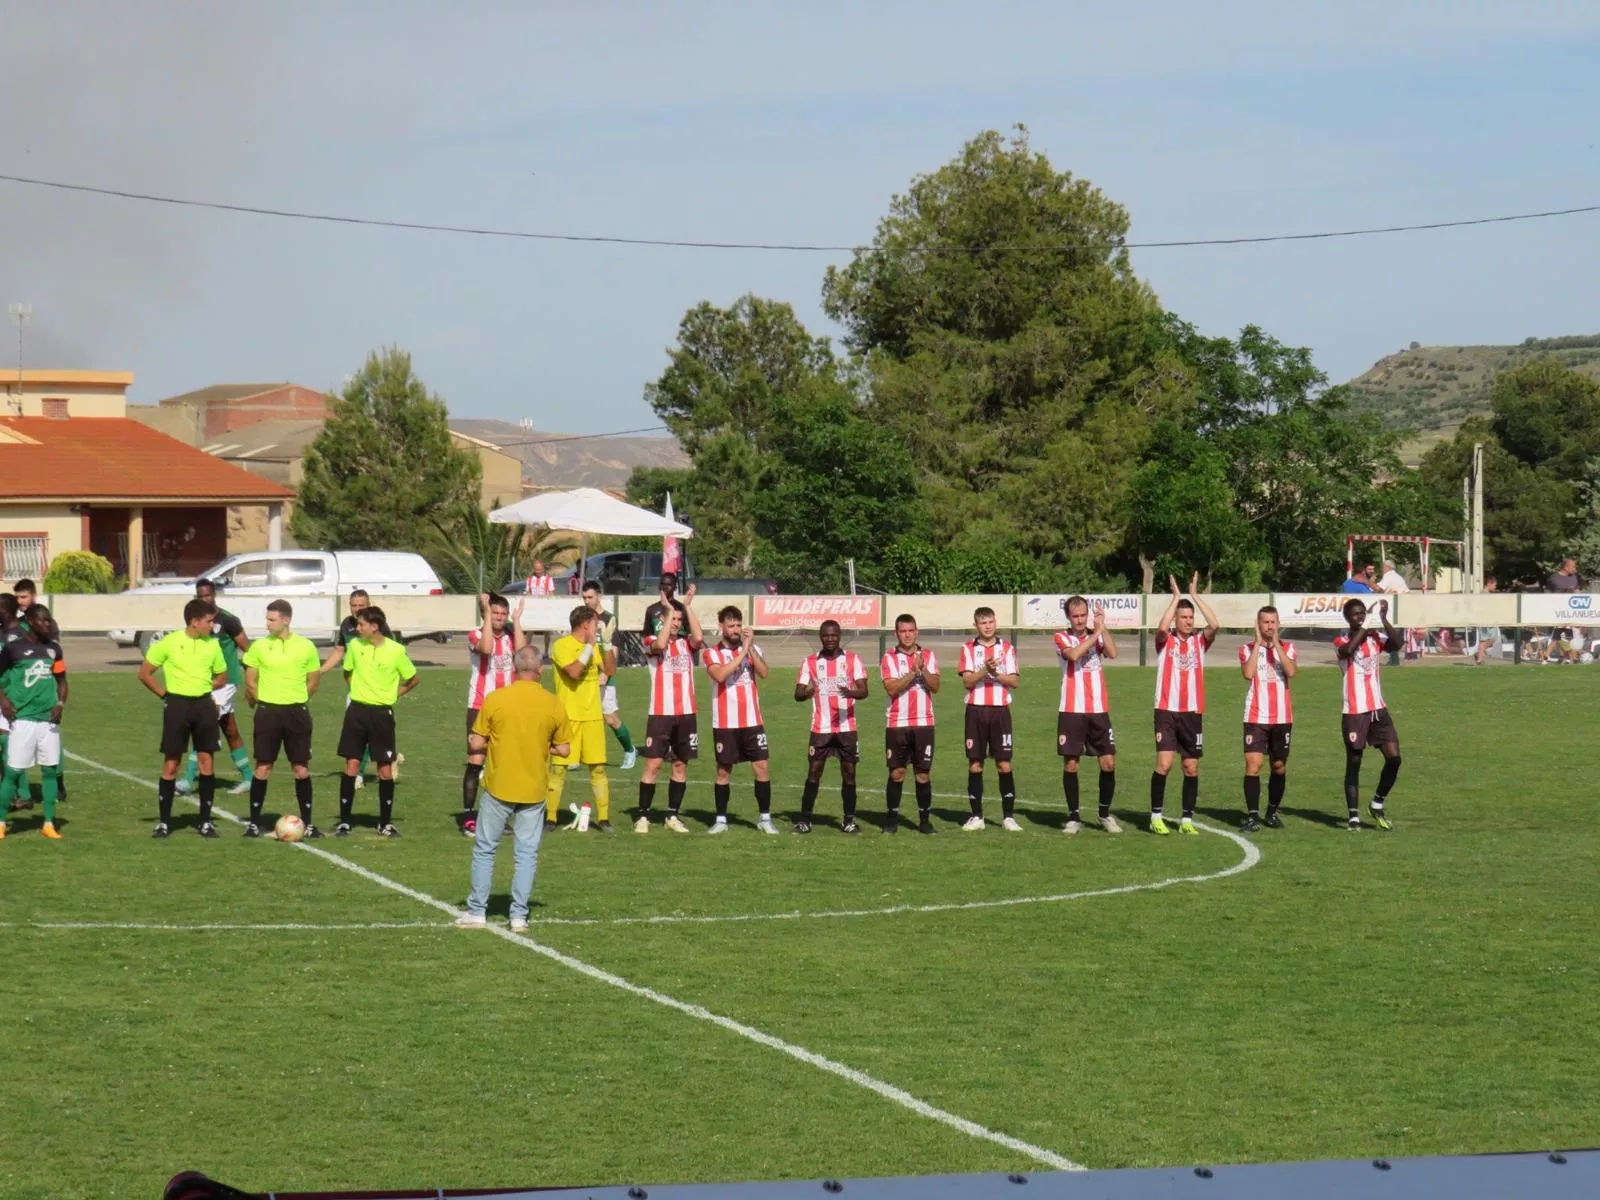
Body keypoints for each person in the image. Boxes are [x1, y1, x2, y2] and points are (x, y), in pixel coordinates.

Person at [456, 646, 572, 933]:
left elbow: (475, 743)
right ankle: (519, 915)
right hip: (533, 788)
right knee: (527, 854)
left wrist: (491, 741)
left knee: (485, 849)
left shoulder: (496, 699)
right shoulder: (553, 703)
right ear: (540, 671)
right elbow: (564, 748)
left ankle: (477, 910)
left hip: (499, 786)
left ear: (513, 670)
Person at [137, 598, 228, 838]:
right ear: (194, 621)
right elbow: (144, 673)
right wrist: (164, 695)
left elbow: (222, 676)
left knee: (206, 761)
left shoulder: (212, 645)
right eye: (209, 621)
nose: (213, 625)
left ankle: (206, 822)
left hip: (204, 705)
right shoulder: (169, 643)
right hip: (177, 705)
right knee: (171, 762)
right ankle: (165, 822)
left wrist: (209, 684)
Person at [241, 599, 324, 839]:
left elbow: (314, 681)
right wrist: (264, 702)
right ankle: (254, 823)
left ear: (285, 620)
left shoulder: (306, 646)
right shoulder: (258, 647)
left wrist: (296, 699)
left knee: (300, 768)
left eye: (271, 619)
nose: (267, 624)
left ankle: (307, 823)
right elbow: (250, 681)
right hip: (268, 713)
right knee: (263, 767)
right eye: (267, 619)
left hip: (296, 713)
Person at [334, 606, 418, 837]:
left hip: (382, 714)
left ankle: (385, 823)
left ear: (374, 626)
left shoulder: (396, 651)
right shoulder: (354, 646)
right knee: (351, 764)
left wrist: (393, 695)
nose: (357, 628)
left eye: (361, 624)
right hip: (357, 712)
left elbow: (412, 678)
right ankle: (344, 821)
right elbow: (347, 673)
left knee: (384, 769)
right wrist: (359, 692)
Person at [1150, 573, 1219, 837]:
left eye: (1191, 618)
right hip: (1166, 710)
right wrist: (1176, 598)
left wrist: (1195, 594)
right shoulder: (1165, 641)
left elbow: (1215, 624)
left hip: (1192, 711)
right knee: (1164, 764)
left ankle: (1186, 819)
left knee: (1190, 767)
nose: (1189, 622)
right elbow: (1160, 628)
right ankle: (1156, 816)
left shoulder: (1200, 642)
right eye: (1184, 617)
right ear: (1176, 620)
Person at [702, 605, 776, 834]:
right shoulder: (712, 653)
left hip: (752, 721)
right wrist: (742, 653)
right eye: (730, 625)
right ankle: (721, 819)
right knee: (723, 771)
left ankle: (764, 818)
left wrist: (749, 649)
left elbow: (764, 673)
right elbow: (720, 675)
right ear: (721, 627)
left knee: (762, 767)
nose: (735, 630)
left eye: (737, 625)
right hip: (725, 723)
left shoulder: (751, 649)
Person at [635, 586, 702, 832]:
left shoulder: (687, 645)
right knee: (653, 765)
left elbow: (699, 636)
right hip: (661, 713)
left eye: (679, 620)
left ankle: (672, 816)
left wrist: (687, 606)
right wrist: (669, 610)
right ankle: (643, 815)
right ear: (662, 620)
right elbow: (660, 644)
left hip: (686, 713)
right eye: (672, 619)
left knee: (680, 765)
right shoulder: (651, 640)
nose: (676, 623)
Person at [177, 579, 253, 797]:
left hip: (226, 682)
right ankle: (249, 777)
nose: (204, 599)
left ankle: (188, 779)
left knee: (203, 724)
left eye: (207, 595)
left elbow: (248, 649)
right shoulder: (198, 621)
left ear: (214, 595)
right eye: (200, 596)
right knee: (230, 729)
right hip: (204, 681)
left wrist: (251, 679)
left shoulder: (229, 621)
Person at [794, 619, 869, 834]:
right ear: (820, 637)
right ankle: (805, 820)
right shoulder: (810, 662)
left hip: (847, 728)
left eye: (834, 635)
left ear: (839, 636)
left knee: (849, 774)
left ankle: (848, 821)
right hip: (821, 729)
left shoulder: (852, 660)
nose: (830, 639)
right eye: (826, 635)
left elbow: (864, 691)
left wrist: (851, 692)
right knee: (814, 772)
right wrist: (807, 692)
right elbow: (797, 693)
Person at [0, 603, 67, 840]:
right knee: (13, 772)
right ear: (29, 620)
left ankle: (49, 823)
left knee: (49, 771)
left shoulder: (54, 650)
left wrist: (60, 704)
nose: (48, 624)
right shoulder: (12, 650)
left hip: (48, 720)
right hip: (23, 719)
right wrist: (4, 701)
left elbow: (62, 681)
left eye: (49, 620)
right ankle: (0, 822)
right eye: (43, 620)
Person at [460, 592, 525, 836]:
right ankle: (468, 817)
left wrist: (517, 621)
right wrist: (486, 614)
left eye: (502, 614)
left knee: (501, 764)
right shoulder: (476, 634)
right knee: (476, 761)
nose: (499, 618)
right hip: (480, 707)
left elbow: (523, 653)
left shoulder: (510, 636)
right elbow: (486, 649)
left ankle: (498, 817)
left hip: (506, 708)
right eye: (495, 613)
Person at [1054, 597, 1120, 835]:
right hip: (1072, 710)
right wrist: (1096, 634)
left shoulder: (1097, 633)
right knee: (1072, 764)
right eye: (1075, 616)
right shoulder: (1061, 637)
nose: (1080, 620)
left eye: (1083, 615)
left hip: (1098, 709)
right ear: (1068, 617)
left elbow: (1112, 653)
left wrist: (1103, 627)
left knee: (1108, 762)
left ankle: (1104, 814)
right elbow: (1073, 656)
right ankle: (1074, 817)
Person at [1335, 597, 1401, 831]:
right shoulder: (1341, 639)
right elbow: (1349, 650)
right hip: (1355, 711)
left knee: (1394, 758)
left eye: (1363, 613)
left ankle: (1377, 803)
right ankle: (1353, 816)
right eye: (1355, 614)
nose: (1360, 616)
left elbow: (1397, 644)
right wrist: (1366, 626)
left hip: (1377, 709)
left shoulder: (1374, 638)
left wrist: (1382, 619)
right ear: (1347, 618)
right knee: (1354, 762)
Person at [547, 605, 614, 832]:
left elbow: (611, 670)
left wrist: (606, 645)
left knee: (598, 769)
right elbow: (574, 673)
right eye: (596, 624)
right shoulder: (561, 646)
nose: (598, 627)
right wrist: (590, 647)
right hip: (568, 718)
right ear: (585, 624)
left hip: (593, 717)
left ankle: (604, 818)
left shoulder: (594, 647)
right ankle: (551, 818)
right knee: (558, 770)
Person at [320, 590, 395, 788]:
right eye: (354, 605)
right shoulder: (346, 624)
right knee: (357, 733)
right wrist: (321, 671)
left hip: (377, 692)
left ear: (368, 604)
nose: (357, 609)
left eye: (361, 605)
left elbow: (393, 655)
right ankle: (360, 772)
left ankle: (367, 770)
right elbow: (339, 651)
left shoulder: (379, 627)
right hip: (355, 689)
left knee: (370, 734)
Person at [958, 606, 1020, 832]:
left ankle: (1008, 817)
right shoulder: (967, 648)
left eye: (991, 622)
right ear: (976, 625)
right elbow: (967, 681)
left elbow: (1013, 681)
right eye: (983, 623)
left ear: (996, 622)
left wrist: (996, 673)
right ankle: (977, 817)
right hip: (975, 711)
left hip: (1000, 711)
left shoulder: (1007, 648)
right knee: (975, 764)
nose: (988, 626)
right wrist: (985, 669)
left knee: (1004, 764)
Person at [1238, 605, 1297, 832]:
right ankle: (1252, 816)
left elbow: (1291, 672)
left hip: (1282, 718)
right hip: (1255, 716)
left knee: (1279, 765)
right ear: (1258, 624)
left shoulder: (1289, 648)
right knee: (1253, 764)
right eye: (1265, 622)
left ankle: (1272, 812)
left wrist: (1277, 646)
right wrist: (1258, 645)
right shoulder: (1246, 648)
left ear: (1278, 624)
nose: (1269, 626)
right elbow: (1248, 673)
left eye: (1273, 622)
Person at [880, 613, 939, 835]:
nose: (907, 634)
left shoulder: (929, 656)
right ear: (896, 633)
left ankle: (924, 821)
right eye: (903, 631)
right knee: (896, 773)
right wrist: (912, 672)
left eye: (911, 630)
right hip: (897, 723)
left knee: (923, 774)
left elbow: (935, 687)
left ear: (917, 632)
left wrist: (922, 670)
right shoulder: (888, 658)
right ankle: (892, 818)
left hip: (924, 723)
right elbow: (891, 688)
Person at [581, 581, 637, 769]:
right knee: (580, 717)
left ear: (599, 596)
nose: (587, 601)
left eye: (590, 597)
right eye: (584, 597)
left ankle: (629, 750)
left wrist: (606, 672)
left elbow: (613, 650)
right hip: (584, 675)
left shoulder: (608, 619)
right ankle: (578, 756)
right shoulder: (581, 618)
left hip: (604, 674)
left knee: (610, 718)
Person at [1472, 576, 1501, 665]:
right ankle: (1480, 659)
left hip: (1489, 620)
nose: (1495, 587)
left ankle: (1479, 653)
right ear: (1489, 583)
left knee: (1493, 638)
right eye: (1494, 585)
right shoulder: (1483, 594)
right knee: (1483, 639)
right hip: (1484, 620)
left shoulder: (1488, 594)